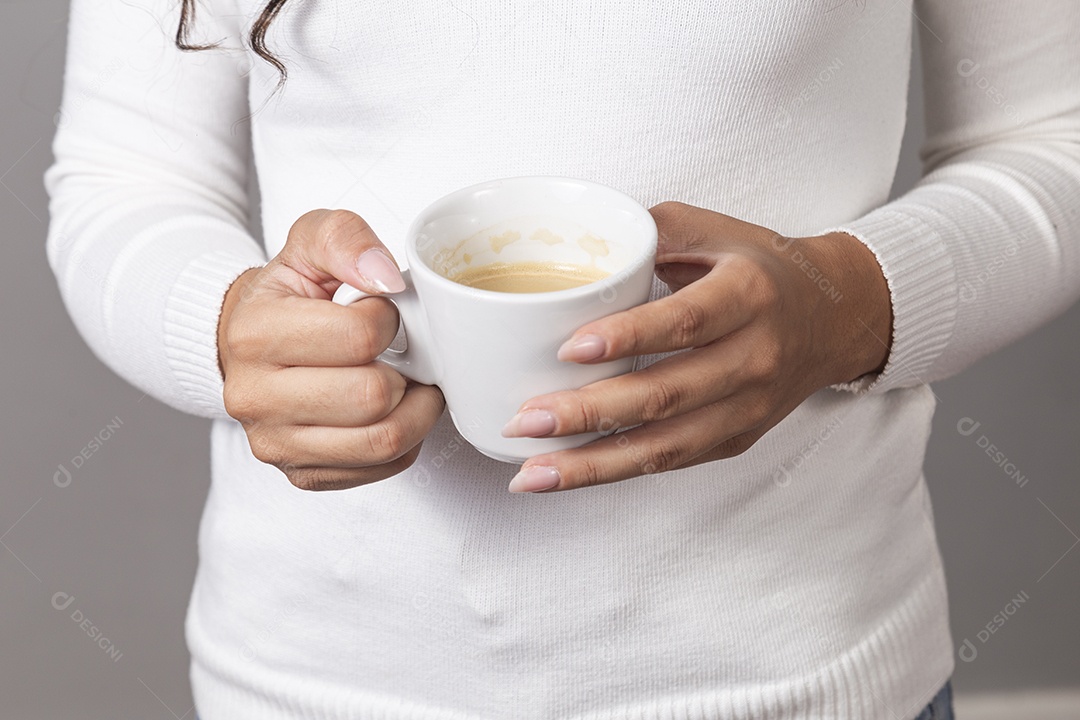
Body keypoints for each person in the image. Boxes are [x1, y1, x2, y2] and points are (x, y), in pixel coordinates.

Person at [45, 0, 1079, 718]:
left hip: (804, 675)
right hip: (315, 681)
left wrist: (844, 305)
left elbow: (1052, 136)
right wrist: (226, 332)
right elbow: (125, 177)